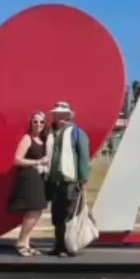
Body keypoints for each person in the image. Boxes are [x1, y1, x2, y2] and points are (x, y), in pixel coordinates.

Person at [45, 97, 92, 256]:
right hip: (54, 181)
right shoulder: (51, 134)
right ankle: (58, 245)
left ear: (69, 115)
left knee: (68, 214)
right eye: (57, 114)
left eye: (63, 114)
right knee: (56, 216)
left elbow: (84, 158)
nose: (60, 117)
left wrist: (83, 180)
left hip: (70, 181)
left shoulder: (77, 133)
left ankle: (67, 245)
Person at [8, 111, 50, 257]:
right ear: (30, 123)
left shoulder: (44, 140)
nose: (38, 124)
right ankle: (20, 242)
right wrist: (37, 161)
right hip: (29, 178)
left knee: (33, 211)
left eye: (41, 122)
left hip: (39, 178)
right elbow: (17, 160)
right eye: (35, 121)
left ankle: (26, 244)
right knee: (35, 210)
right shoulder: (27, 139)